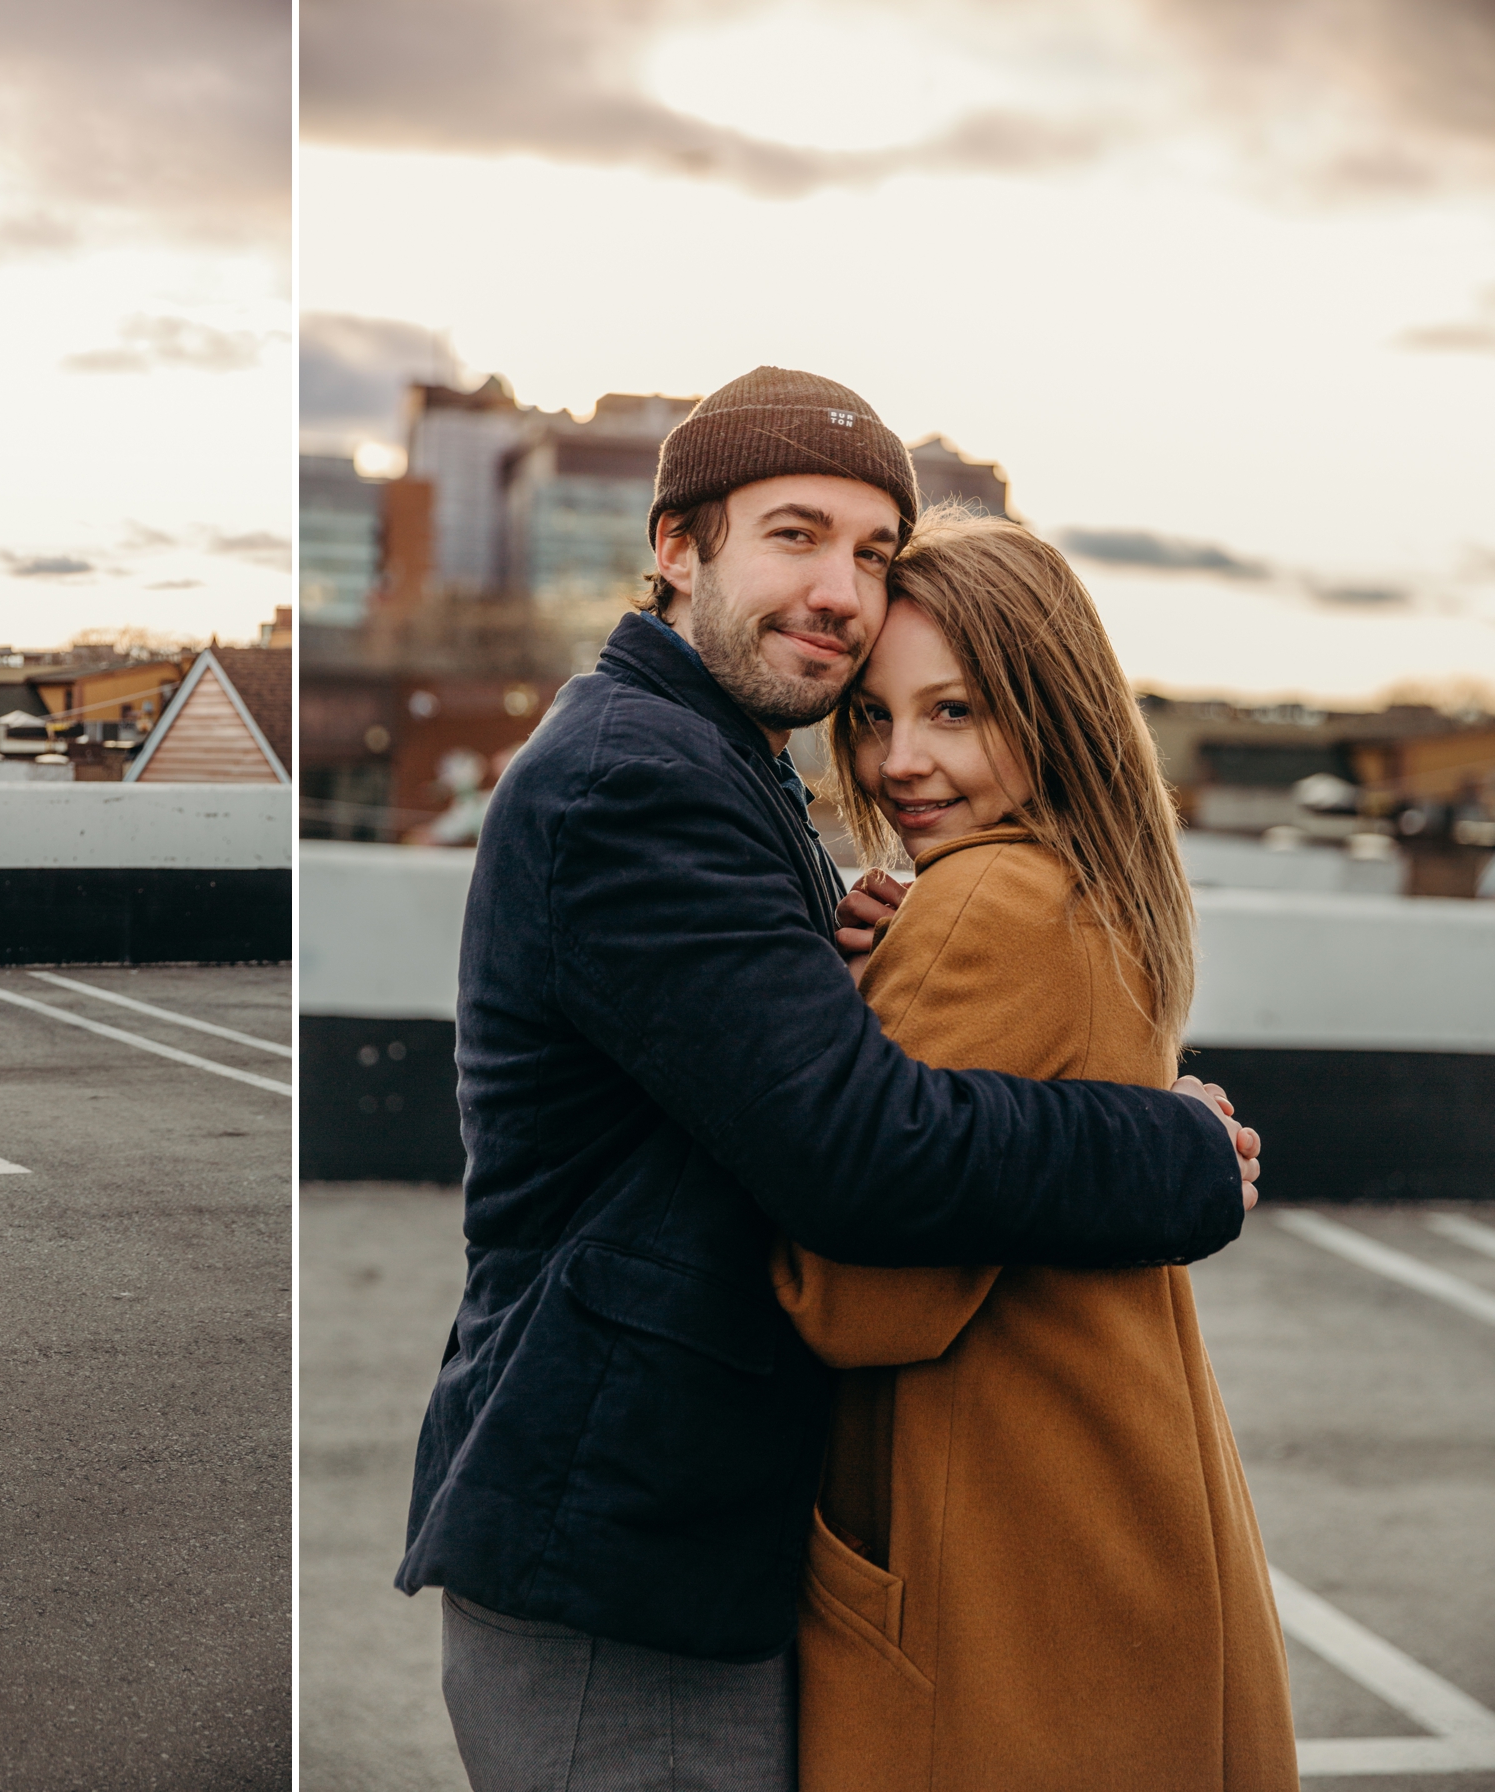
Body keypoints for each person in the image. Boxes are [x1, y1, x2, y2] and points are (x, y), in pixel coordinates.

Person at [399, 368, 1262, 1792]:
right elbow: (855, 1153)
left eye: (871, 552)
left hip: (667, 1529)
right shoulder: (640, 776)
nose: (842, 590)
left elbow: (760, 1072)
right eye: (796, 535)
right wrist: (1171, 1150)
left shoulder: (721, 765)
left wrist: (842, 952)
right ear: (678, 546)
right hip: (628, 1559)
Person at [775, 508, 1299, 1789]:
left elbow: (852, 1295)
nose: (901, 762)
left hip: (999, 1570)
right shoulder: (1094, 879)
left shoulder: (979, 902)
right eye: (875, 716)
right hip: (1114, 1526)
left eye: (955, 711)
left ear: (1051, 708)